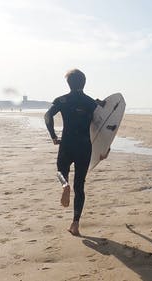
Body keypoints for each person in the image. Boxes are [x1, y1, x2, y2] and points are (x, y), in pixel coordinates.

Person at [44, 69, 104, 236]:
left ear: (68, 83)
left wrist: (53, 136)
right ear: (84, 83)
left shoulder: (62, 100)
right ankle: (75, 223)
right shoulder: (91, 103)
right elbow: (104, 128)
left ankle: (64, 185)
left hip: (67, 144)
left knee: (60, 172)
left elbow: (47, 116)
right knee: (80, 186)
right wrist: (105, 149)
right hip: (85, 147)